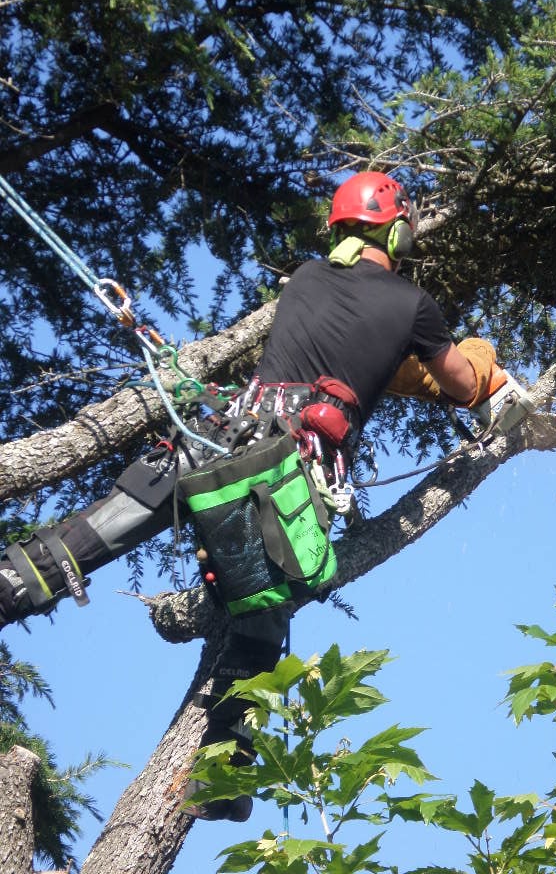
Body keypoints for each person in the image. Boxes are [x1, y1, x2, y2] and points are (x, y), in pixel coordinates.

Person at [0, 171, 499, 819]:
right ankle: (223, 774)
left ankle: (10, 584)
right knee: (266, 610)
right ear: (399, 231)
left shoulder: (306, 278)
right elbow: (462, 385)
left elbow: (343, 340)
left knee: (105, 525)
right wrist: (478, 357)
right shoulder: (413, 306)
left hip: (221, 436)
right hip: (289, 474)